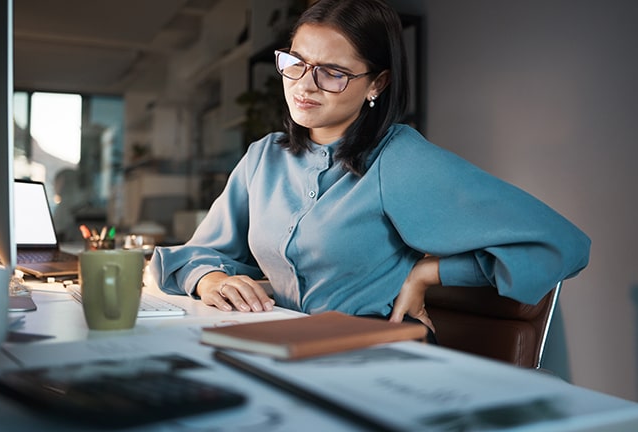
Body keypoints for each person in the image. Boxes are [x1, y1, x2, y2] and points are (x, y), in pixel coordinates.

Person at [149, 0, 590, 341]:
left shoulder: (398, 157)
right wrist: (210, 279)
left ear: (377, 83)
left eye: (333, 73)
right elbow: (195, 253)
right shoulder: (264, 158)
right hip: (280, 347)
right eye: (296, 62)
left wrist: (428, 273)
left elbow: (562, 244)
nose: (304, 84)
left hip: (371, 355)